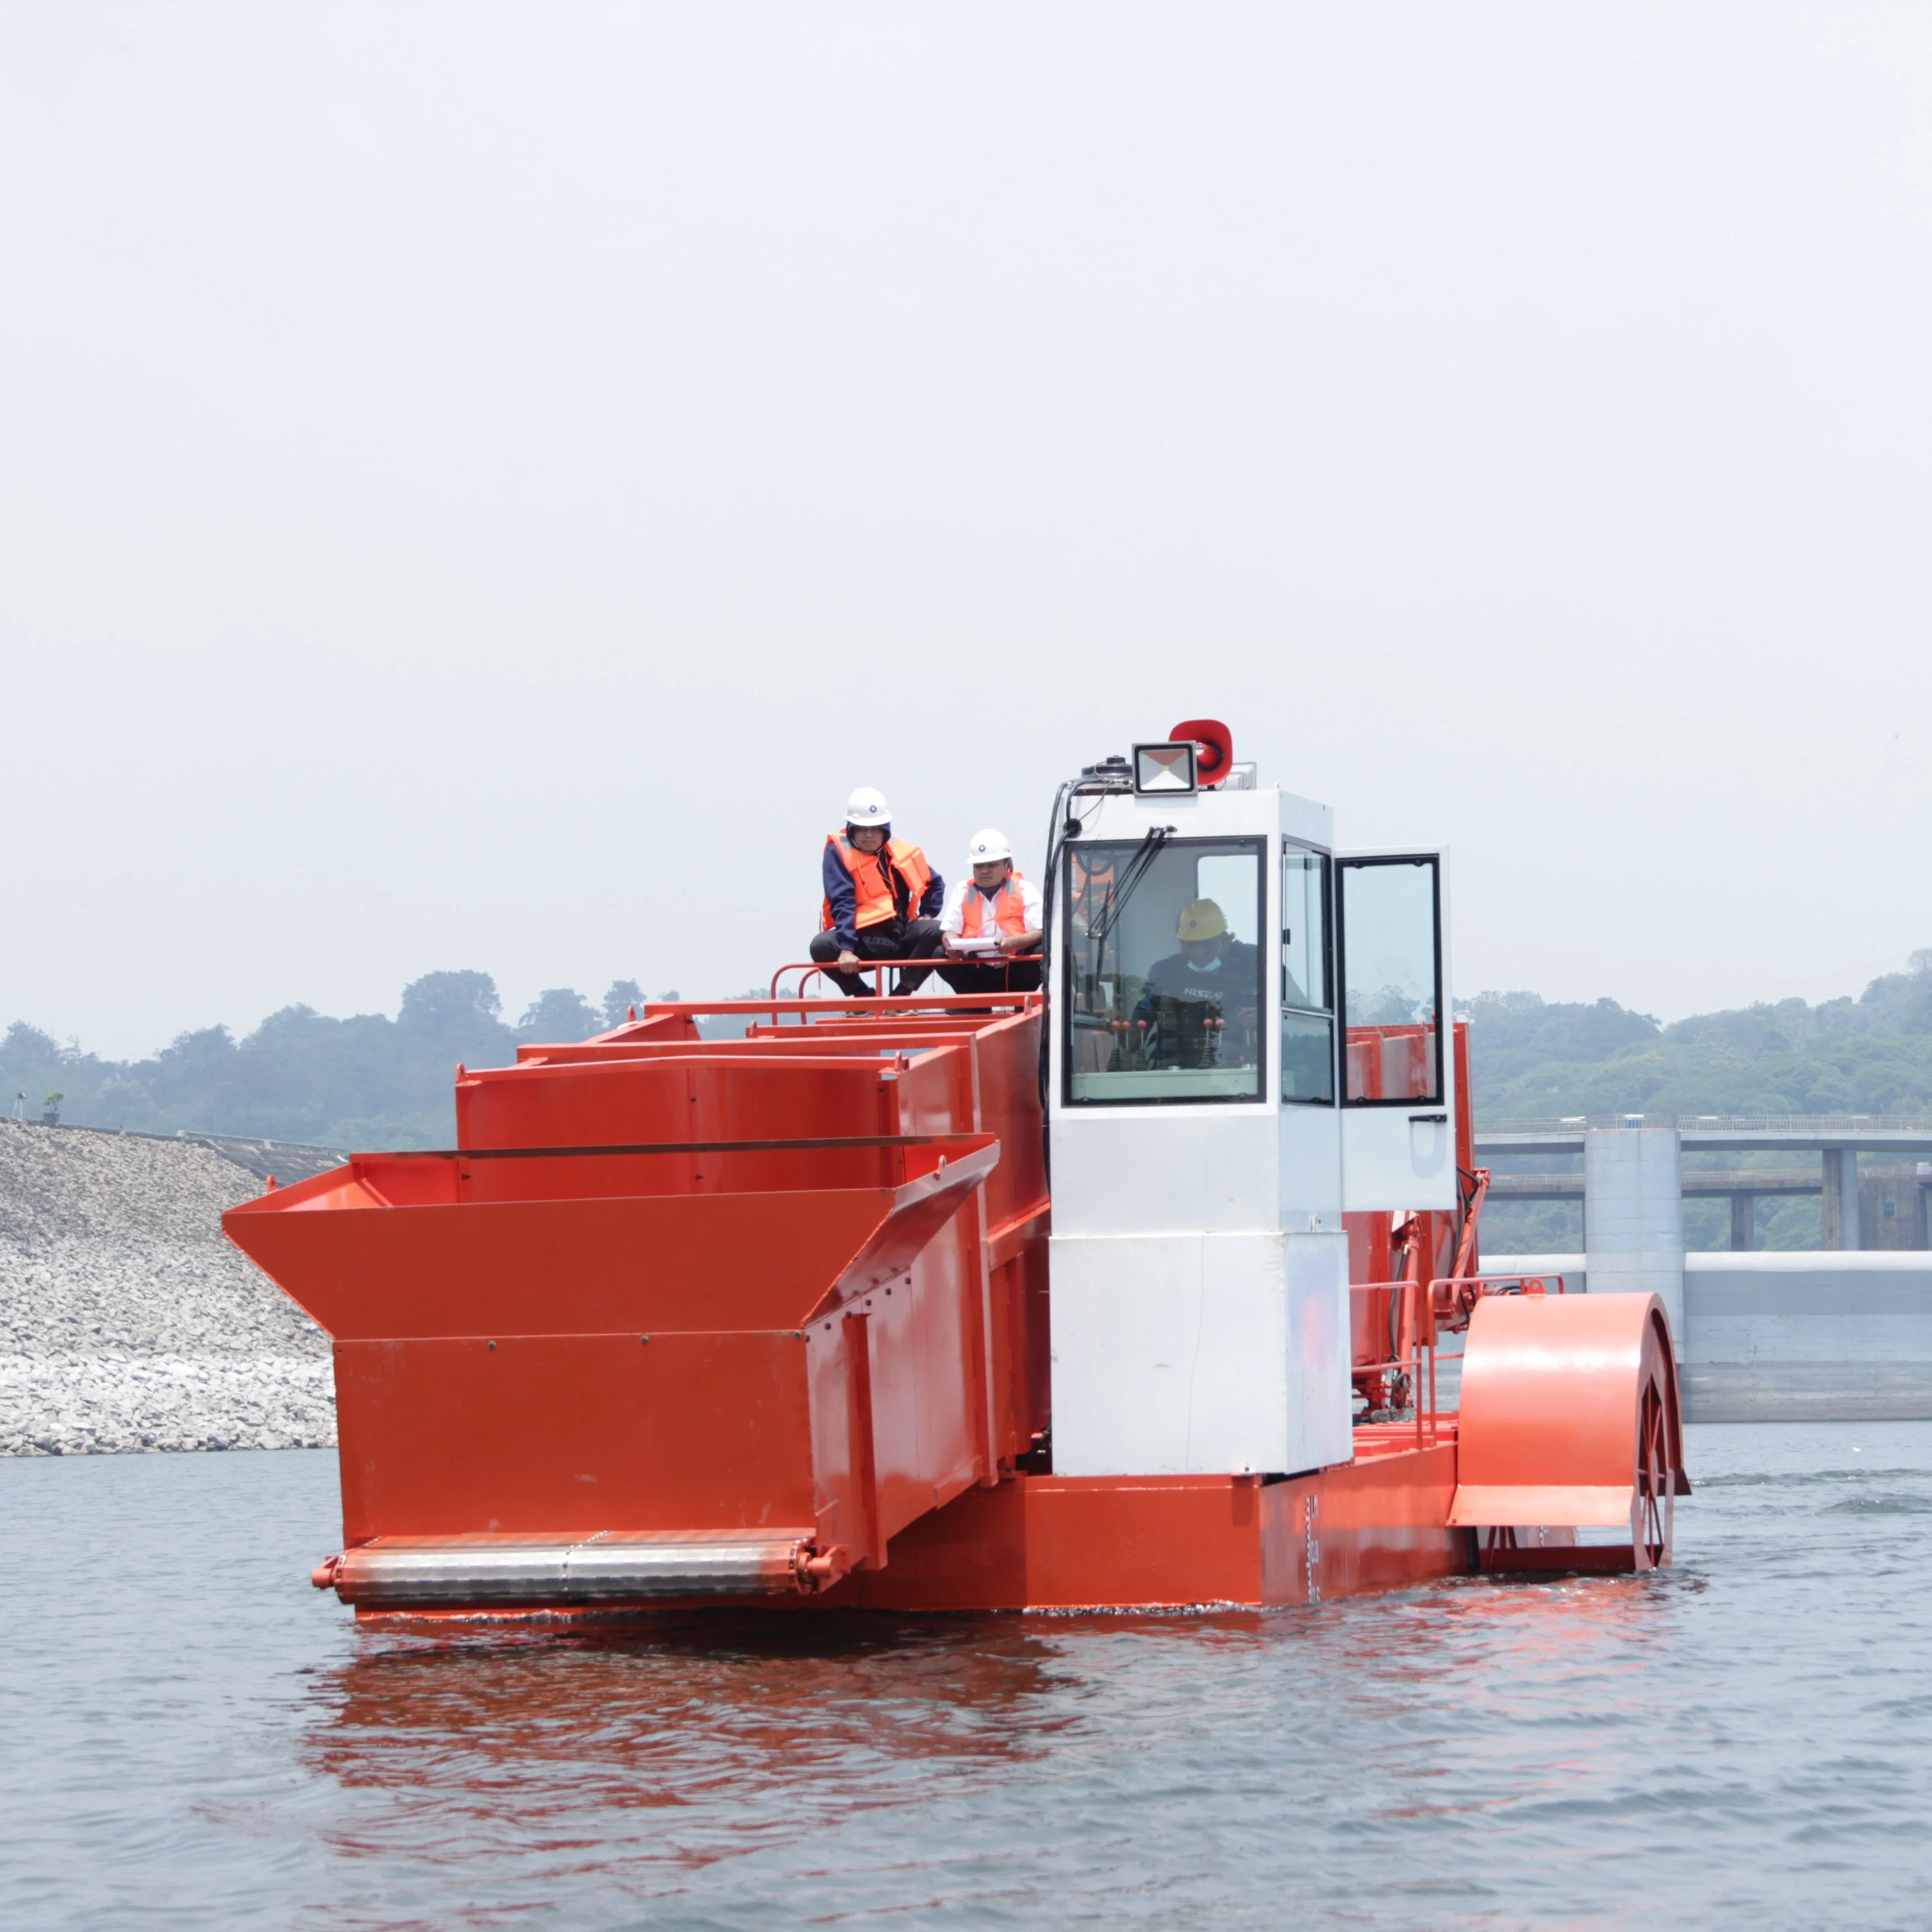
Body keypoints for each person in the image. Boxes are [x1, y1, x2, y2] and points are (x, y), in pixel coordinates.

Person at [809, 788, 946, 996]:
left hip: (900, 934)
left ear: (885, 830)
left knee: (938, 930)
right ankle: (863, 997)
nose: (869, 835)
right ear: (851, 829)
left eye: (875, 829)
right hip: (859, 939)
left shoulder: (899, 851)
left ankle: (901, 996)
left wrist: (927, 914)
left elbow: (934, 883)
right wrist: (846, 948)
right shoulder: (838, 851)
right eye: (862, 829)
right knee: (820, 946)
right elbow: (843, 900)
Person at [1133, 898, 1261, 1067]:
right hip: (1173, 1071)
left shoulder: (1253, 966)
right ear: (1182, 943)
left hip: (1233, 1072)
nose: (1200, 953)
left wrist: (1263, 1016)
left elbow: (1289, 1012)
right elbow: (1136, 1026)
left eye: (1206, 944)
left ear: (1223, 939)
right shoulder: (1162, 974)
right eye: (1192, 945)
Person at [939, 830, 1044, 997]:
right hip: (976, 969)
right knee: (939, 953)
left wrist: (1013, 943)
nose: (985, 871)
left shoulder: (1024, 889)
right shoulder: (963, 891)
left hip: (1016, 967)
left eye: (992, 865)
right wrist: (950, 946)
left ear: (1006, 865)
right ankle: (973, 1004)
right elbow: (950, 931)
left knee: (1042, 950)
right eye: (979, 866)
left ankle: (1021, 1002)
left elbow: (1040, 931)